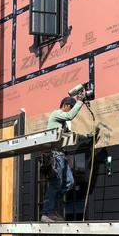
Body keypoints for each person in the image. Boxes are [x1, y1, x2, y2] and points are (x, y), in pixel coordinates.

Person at [41, 95, 84, 223]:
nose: (70, 111)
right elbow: (69, 115)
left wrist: (88, 136)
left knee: (69, 182)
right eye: (70, 108)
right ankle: (47, 213)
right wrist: (80, 101)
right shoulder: (56, 114)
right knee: (55, 183)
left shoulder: (63, 124)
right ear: (64, 105)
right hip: (53, 155)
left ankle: (51, 207)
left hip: (61, 155)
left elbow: (71, 136)